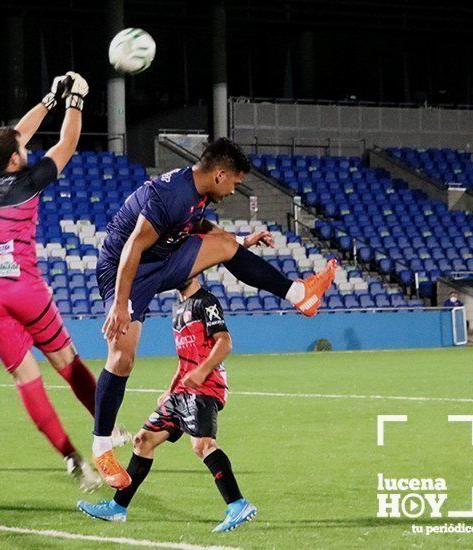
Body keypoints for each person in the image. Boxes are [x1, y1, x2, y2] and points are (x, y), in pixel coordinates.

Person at [91, 138, 338, 489]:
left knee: (224, 245)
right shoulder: (172, 195)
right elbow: (133, 245)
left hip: (163, 257)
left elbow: (198, 227)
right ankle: (101, 446)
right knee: (122, 358)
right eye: (235, 182)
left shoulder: (198, 194)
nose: (234, 189)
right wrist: (119, 303)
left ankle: (301, 294)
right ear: (220, 174)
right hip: (126, 269)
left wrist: (240, 242)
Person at [0, 72, 128, 491]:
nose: (26, 146)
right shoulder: (26, 182)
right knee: (67, 363)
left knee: (26, 379)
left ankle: (71, 457)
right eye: (22, 150)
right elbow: (67, 145)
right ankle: (105, 430)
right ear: (16, 161)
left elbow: (13, 135)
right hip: (24, 288)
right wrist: (75, 100)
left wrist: (48, 99)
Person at [77, 277, 257, 532]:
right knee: (143, 440)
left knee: (203, 445)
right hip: (182, 390)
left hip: (204, 387)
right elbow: (184, 358)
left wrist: (201, 372)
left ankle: (238, 504)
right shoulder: (179, 309)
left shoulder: (206, 302)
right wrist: (170, 390)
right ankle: (118, 507)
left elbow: (225, 342)